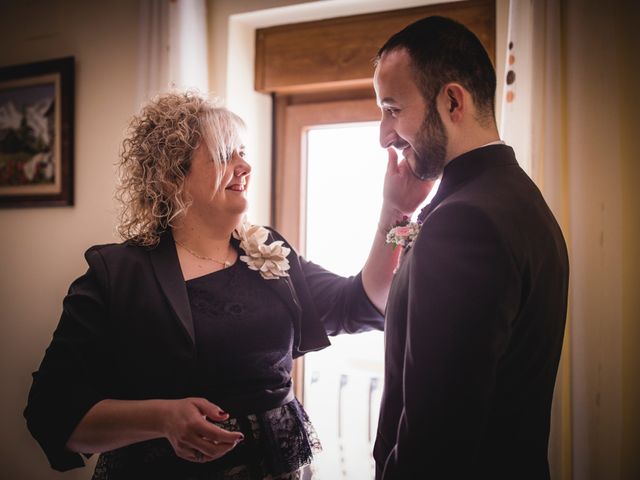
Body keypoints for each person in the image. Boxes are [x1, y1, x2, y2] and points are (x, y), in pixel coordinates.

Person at [24, 91, 431, 479]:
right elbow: (51, 411)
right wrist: (162, 419)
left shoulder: (268, 251)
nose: (244, 166)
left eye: (242, 153)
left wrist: (395, 208)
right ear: (171, 178)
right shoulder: (117, 274)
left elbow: (361, 300)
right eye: (224, 154)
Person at [372, 16, 569, 480]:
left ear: (452, 100)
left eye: (392, 109)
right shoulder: (519, 198)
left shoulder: (465, 223)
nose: (384, 135)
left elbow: (436, 437)